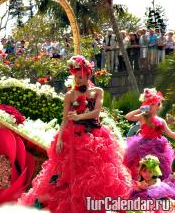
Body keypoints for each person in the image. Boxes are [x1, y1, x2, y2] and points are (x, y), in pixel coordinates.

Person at [18, 55, 132, 213]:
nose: (77, 80)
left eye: (80, 76)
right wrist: (59, 139)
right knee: (67, 173)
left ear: (88, 74)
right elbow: (64, 119)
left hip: (95, 135)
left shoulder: (97, 92)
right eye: (75, 77)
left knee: (96, 173)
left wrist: (78, 116)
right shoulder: (70, 95)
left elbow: (96, 113)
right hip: (74, 135)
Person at [123, 88, 175, 181]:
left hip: (158, 147)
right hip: (142, 145)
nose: (150, 107)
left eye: (153, 104)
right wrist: (140, 109)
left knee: (160, 169)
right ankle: (141, 183)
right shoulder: (143, 117)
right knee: (141, 167)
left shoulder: (161, 120)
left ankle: (157, 185)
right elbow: (128, 117)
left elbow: (171, 134)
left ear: (158, 105)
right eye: (148, 104)